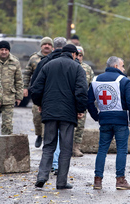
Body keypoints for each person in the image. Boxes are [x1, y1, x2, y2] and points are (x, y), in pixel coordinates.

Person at [31, 44, 87, 190]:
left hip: (49, 112)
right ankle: (61, 182)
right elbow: (81, 91)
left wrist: (39, 103)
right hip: (68, 114)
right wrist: (80, 109)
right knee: (66, 148)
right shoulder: (77, 68)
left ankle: (42, 176)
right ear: (74, 54)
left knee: (49, 145)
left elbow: (36, 88)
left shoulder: (49, 65)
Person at [88, 56, 130, 190]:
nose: (123, 69)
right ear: (116, 66)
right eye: (122, 66)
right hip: (121, 120)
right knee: (121, 149)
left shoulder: (95, 80)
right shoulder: (123, 80)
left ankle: (97, 181)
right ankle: (120, 181)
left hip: (104, 119)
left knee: (102, 150)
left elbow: (89, 102)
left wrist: (96, 116)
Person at [31, 37, 67, 173]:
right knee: (62, 136)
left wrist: (39, 103)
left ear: (53, 47)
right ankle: (57, 164)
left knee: (50, 136)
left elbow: (35, 86)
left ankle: (47, 167)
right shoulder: (72, 63)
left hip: (48, 105)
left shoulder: (43, 63)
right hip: (65, 106)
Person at [22, 37, 53, 147]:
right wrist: (25, 87)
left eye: (49, 44)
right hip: (37, 93)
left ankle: (46, 139)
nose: (47, 46)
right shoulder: (34, 58)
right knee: (37, 116)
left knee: (48, 117)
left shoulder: (54, 58)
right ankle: (39, 134)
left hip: (50, 92)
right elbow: (26, 74)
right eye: (45, 44)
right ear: (41, 46)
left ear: (52, 47)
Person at [0, 41, 23, 135]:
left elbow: (19, 80)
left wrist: (19, 96)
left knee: (7, 125)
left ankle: (6, 148)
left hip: (9, 98)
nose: (4, 52)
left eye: (6, 50)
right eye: (1, 50)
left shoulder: (15, 62)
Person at [72, 46, 95, 157]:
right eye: (77, 55)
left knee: (80, 126)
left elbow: (91, 86)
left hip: (81, 102)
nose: (79, 57)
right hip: (70, 102)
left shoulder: (87, 69)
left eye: (81, 55)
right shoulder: (70, 66)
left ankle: (76, 147)